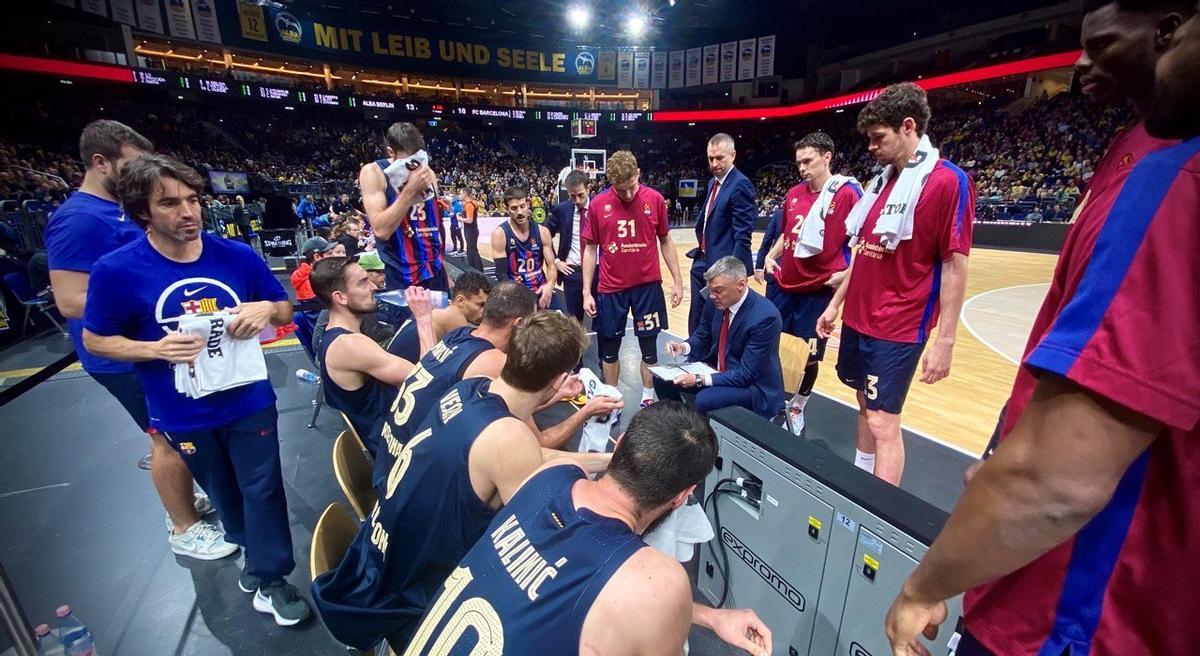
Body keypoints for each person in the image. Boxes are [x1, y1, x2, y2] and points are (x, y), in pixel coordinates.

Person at [884, 5, 1199, 654]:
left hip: (1070, 614)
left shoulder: (1177, 177)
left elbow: (1060, 480)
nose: (1080, 63)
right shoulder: (1138, 143)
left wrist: (924, 585)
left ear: (1173, 30)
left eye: (1101, 44)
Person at [83, 154, 309, 625]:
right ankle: (253, 554)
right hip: (181, 410)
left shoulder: (237, 255)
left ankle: (271, 579)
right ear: (142, 211)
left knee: (263, 487)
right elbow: (95, 339)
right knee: (223, 492)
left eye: (193, 200)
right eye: (169, 203)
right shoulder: (117, 269)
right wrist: (154, 350)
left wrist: (266, 310)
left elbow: (286, 308)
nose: (188, 212)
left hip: (249, 398)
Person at [311, 312, 609, 651]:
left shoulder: (471, 389)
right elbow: (534, 537)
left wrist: (608, 462)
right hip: (404, 603)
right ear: (559, 379)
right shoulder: (508, 439)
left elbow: (533, 460)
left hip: (371, 568)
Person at [405, 401, 772, 656]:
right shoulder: (657, 580)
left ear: (621, 442)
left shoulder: (547, 478)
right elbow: (635, 601)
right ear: (683, 497)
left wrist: (711, 616)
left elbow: (568, 594)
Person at [44, 120, 223, 558]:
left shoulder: (123, 209)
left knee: (180, 430)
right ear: (101, 163)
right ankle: (183, 527)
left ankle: (183, 504)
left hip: (157, 348)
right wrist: (153, 300)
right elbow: (69, 300)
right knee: (166, 436)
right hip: (123, 354)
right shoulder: (78, 219)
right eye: (133, 164)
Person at [817, 83, 975, 485]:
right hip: (859, 319)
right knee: (863, 404)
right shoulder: (879, 184)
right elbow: (865, 252)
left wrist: (946, 340)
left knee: (884, 421)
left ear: (908, 127)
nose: (870, 147)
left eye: (878, 138)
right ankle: (862, 480)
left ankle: (878, 514)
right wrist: (836, 304)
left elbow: (954, 264)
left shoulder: (946, 182)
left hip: (899, 326)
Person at [762, 132, 863, 435]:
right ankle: (776, 403)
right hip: (785, 285)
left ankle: (799, 405)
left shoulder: (847, 193)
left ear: (827, 157)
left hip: (818, 291)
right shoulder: (794, 193)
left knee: (809, 355)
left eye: (808, 161)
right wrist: (770, 254)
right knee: (776, 348)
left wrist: (848, 274)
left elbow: (865, 240)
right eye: (799, 163)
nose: (802, 168)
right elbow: (788, 233)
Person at [582, 150, 684, 408]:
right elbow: (590, 248)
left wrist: (678, 281)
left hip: (647, 288)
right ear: (610, 183)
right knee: (609, 349)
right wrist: (586, 291)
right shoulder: (597, 205)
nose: (627, 194)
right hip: (611, 289)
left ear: (639, 173)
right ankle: (613, 400)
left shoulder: (656, 199)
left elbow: (665, 240)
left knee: (649, 348)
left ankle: (647, 399)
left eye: (631, 187)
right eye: (620, 189)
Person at [311, 257, 434, 458]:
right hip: (399, 453)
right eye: (362, 282)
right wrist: (424, 318)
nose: (373, 287)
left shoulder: (337, 336)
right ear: (340, 297)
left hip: (394, 437)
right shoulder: (349, 345)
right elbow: (428, 379)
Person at [661, 257, 784, 418]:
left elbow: (746, 375)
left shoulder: (765, 317)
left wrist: (699, 379)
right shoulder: (716, 301)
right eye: (710, 290)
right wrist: (684, 347)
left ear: (740, 285)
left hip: (753, 387)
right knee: (663, 378)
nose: (712, 296)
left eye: (718, 291)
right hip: (719, 372)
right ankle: (680, 426)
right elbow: (702, 335)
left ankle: (703, 439)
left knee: (705, 400)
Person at [359, 122, 447, 292]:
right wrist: (410, 190)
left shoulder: (428, 173)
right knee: (408, 320)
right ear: (391, 152)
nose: (416, 165)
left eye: (420, 158)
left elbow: (434, 227)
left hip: (434, 269)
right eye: (409, 160)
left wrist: (444, 269)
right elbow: (381, 230)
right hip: (401, 272)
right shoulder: (374, 172)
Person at [689, 133, 757, 332]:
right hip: (702, 259)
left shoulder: (740, 184)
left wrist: (732, 273)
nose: (715, 163)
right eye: (711, 158)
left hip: (721, 266)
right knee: (698, 318)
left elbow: (743, 235)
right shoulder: (713, 182)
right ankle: (694, 356)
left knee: (716, 322)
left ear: (733, 155)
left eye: (720, 158)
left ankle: (713, 361)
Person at [386, 270, 491, 363]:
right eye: (480, 305)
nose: (484, 312)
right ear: (460, 301)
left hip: (391, 373)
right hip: (399, 379)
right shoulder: (454, 316)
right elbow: (472, 358)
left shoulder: (438, 306)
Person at [490, 185, 558, 310]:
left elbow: (551, 266)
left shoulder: (542, 232)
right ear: (507, 209)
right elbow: (501, 275)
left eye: (522, 206)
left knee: (559, 324)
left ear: (528, 204)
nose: (520, 212)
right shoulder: (500, 234)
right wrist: (515, 296)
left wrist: (550, 286)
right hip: (514, 294)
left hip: (540, 290)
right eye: (514, 208)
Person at [547, 169, 595, 323]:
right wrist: (555, 261)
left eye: (580, 195)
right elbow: (544, 235)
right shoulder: (562, 209)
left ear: (588, 188)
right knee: (574, 322)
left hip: (599, 272)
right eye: (572, 196)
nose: (577, 200)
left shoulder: (600, 207)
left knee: (603, 320)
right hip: (572, 272)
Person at [291, 236, 344, 312]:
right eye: (329, 253)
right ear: (317, 257)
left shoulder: (316, 276)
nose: (333, 256)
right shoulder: (312, 284)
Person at [460, 189, 483, 272]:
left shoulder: (469, 205)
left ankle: (480, 270)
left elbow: (470, 220)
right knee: (470, 250)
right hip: (471, 230)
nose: (460, 196)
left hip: (471, 230)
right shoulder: (471, 203)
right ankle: (472, 269)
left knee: (473, 250)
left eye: (461, 194)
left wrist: (460, 219)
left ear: (465, 195)